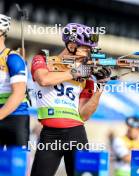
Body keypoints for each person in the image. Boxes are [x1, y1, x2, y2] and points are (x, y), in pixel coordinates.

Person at [30, 23, 111, 176]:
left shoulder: (86, 74)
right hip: (49, 135)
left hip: (76, 134)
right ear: (71, 45)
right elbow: (44, 80)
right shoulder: (42, 59)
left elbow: (84, 115)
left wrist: (100, 87)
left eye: (90, 49)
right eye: (85, 48)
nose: (88, 53)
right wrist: (75, 72)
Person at [0, 14, 29, 148]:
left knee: (17, 166)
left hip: (15, 117)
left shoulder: (12, 58)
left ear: (1, 32)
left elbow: (18, 94)